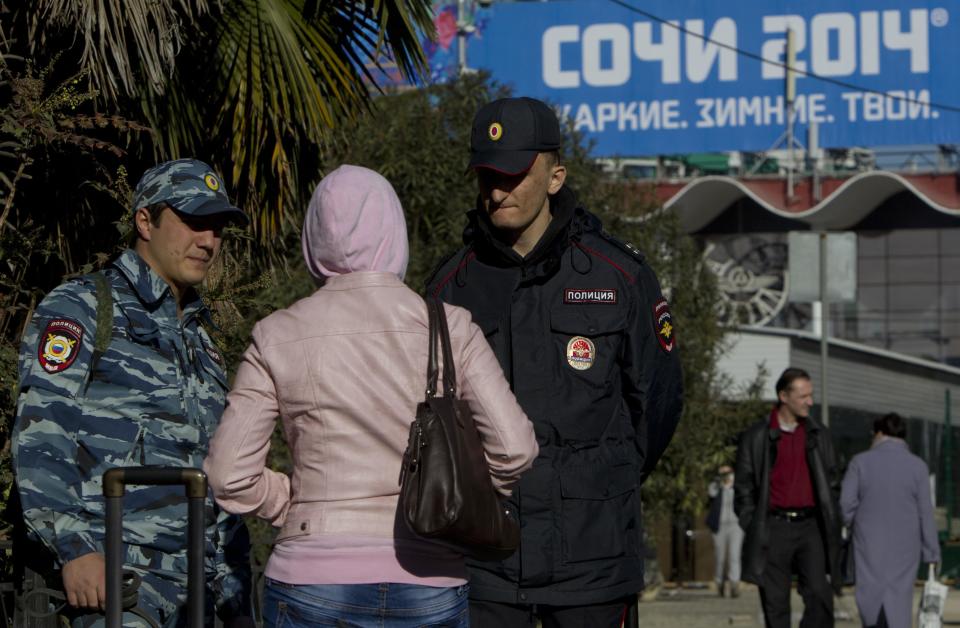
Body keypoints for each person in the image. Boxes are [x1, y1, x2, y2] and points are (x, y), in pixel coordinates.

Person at [204, 164, 539, 628]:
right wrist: (462, 496)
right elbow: (516, 448)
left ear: (313, 239)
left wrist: (290, 499)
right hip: (429, 580)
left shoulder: (276, 334)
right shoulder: (449, 326)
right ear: (394, 232)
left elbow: (227, 476)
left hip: (311, 577)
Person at [425, 96, 684, 627]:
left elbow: (658, 403)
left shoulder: (619, 276)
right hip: (484, 560)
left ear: (555, 175)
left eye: (515, 174)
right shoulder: (450, 286)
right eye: (487, 176)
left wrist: (602, 479)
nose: (499, 192)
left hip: (594, 556)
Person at [11, 159, 254, 627]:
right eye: (193, 221)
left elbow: (216, 471)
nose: (208, 241)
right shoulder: (83, 307)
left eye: (217, 227)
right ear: (145, 220)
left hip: (202, 593)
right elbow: (41, 436)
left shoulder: (203, 341)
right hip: (118, 585)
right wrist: (74, 550)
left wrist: (237, 589)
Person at [734, 367, 842, 628]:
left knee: (820, 595)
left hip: (811, 527)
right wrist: (753, 522)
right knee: (775, 603)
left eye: (811, 395)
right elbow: (744, 487)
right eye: (803, 396)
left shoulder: (819, 434)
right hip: (773, 527)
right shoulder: (757, 436)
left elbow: (833, 480)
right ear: (784, 396)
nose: (810, 402)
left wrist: (831, 514)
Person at [840, 412, 940, 628]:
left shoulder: (860, 462)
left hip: (868, 541)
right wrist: (932, 552)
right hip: (906, 546)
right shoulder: (918, 466)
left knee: (870, 593)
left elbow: (846, 504)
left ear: (878, 433)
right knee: (900, 596)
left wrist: (854, 522)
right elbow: (925, 512)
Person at [707, 465, 743, 598]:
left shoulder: (736, 485)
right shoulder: (716, 486)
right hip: (719, 525)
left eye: (727, 472)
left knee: (734, 555)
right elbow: (711, 493)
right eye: (722, 473)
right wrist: (719, 481)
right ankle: (719, 582)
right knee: (720, 557)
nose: (725, 475)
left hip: (735, 525)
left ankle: (734, 584)